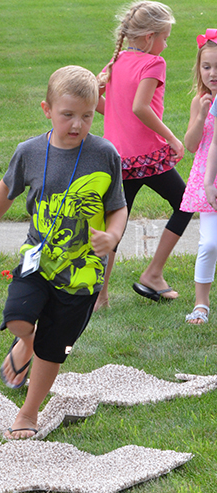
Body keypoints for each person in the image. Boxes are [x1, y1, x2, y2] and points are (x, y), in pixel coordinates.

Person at [0, 65, 128, 439]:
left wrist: (114, 235)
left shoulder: (104, 154)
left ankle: (28, 413)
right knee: (18, 318)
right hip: (37, 257)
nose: (77, 124)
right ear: (47, 109)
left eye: (87, 116)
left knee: (54, 347)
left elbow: (117, 205)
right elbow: (4, 191)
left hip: (83, 272)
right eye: (67, 114)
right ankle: (26, 344)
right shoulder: (29, 151)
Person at [94, 0, 193, 310]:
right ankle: (152, 274)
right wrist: (172, 137)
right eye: (164, 37)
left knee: (115, 226)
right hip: (147, 158)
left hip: (119, 159)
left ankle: (100, 297)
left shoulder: (118, 59)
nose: (165, 44)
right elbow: (140, 107)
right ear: (149, 36)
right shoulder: (154, 64)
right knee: (185, 203)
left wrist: (115, 112)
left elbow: (96, 96)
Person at [180, 30, 217, 324]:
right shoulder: (199, 102)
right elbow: (191, 145)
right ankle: (201, 304)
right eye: (207, 67)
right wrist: (203, 116)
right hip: (209, 179)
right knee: (208, 244)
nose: (212, 73)